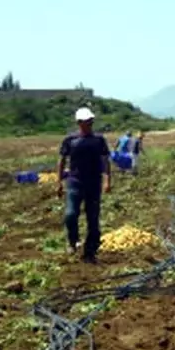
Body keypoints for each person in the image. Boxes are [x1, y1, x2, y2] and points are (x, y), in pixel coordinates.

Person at [57, 106, 111, 262]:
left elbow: (105, 161)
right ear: (79, 122)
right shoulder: (70, 140)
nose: (89, 124)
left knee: (92, 217)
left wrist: (107, 180)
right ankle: (72, 241)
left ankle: (91, 247)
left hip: (94, 182)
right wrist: (59, 182)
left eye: (91, 121)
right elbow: (61, 160)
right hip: (74, 182)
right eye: (86, 121)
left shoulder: (99, 140)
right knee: (70, 214)